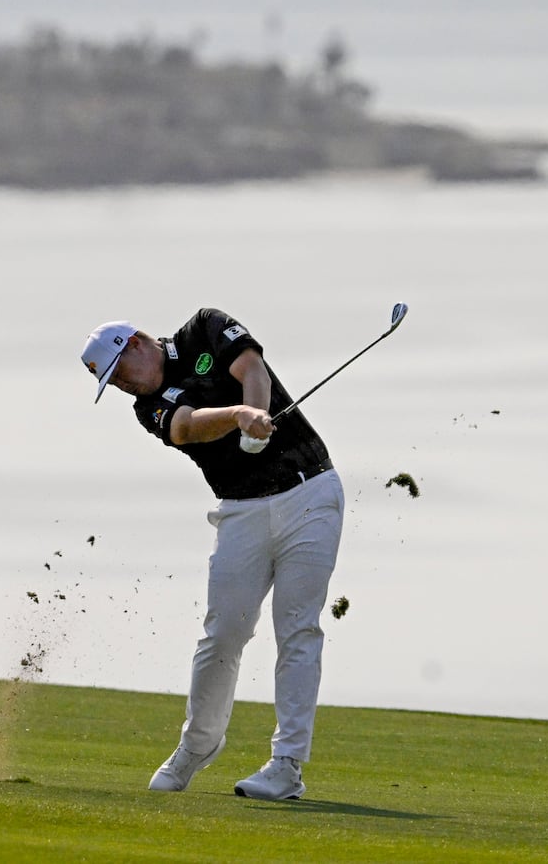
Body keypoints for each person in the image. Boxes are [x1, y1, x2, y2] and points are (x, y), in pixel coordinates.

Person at [81, 308, 344, 802]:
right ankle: (197, 746)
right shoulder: (147, 407)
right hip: (241, 510)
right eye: (110, 382)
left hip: (310, 492)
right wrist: (240, 419)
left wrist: (255, 410)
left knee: (297, 627)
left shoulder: (203, 327)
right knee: (223, 634)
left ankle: (286, 766)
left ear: (136, 342)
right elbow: (188, 427)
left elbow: (252, 369)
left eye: (118, 372)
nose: (119, 385)